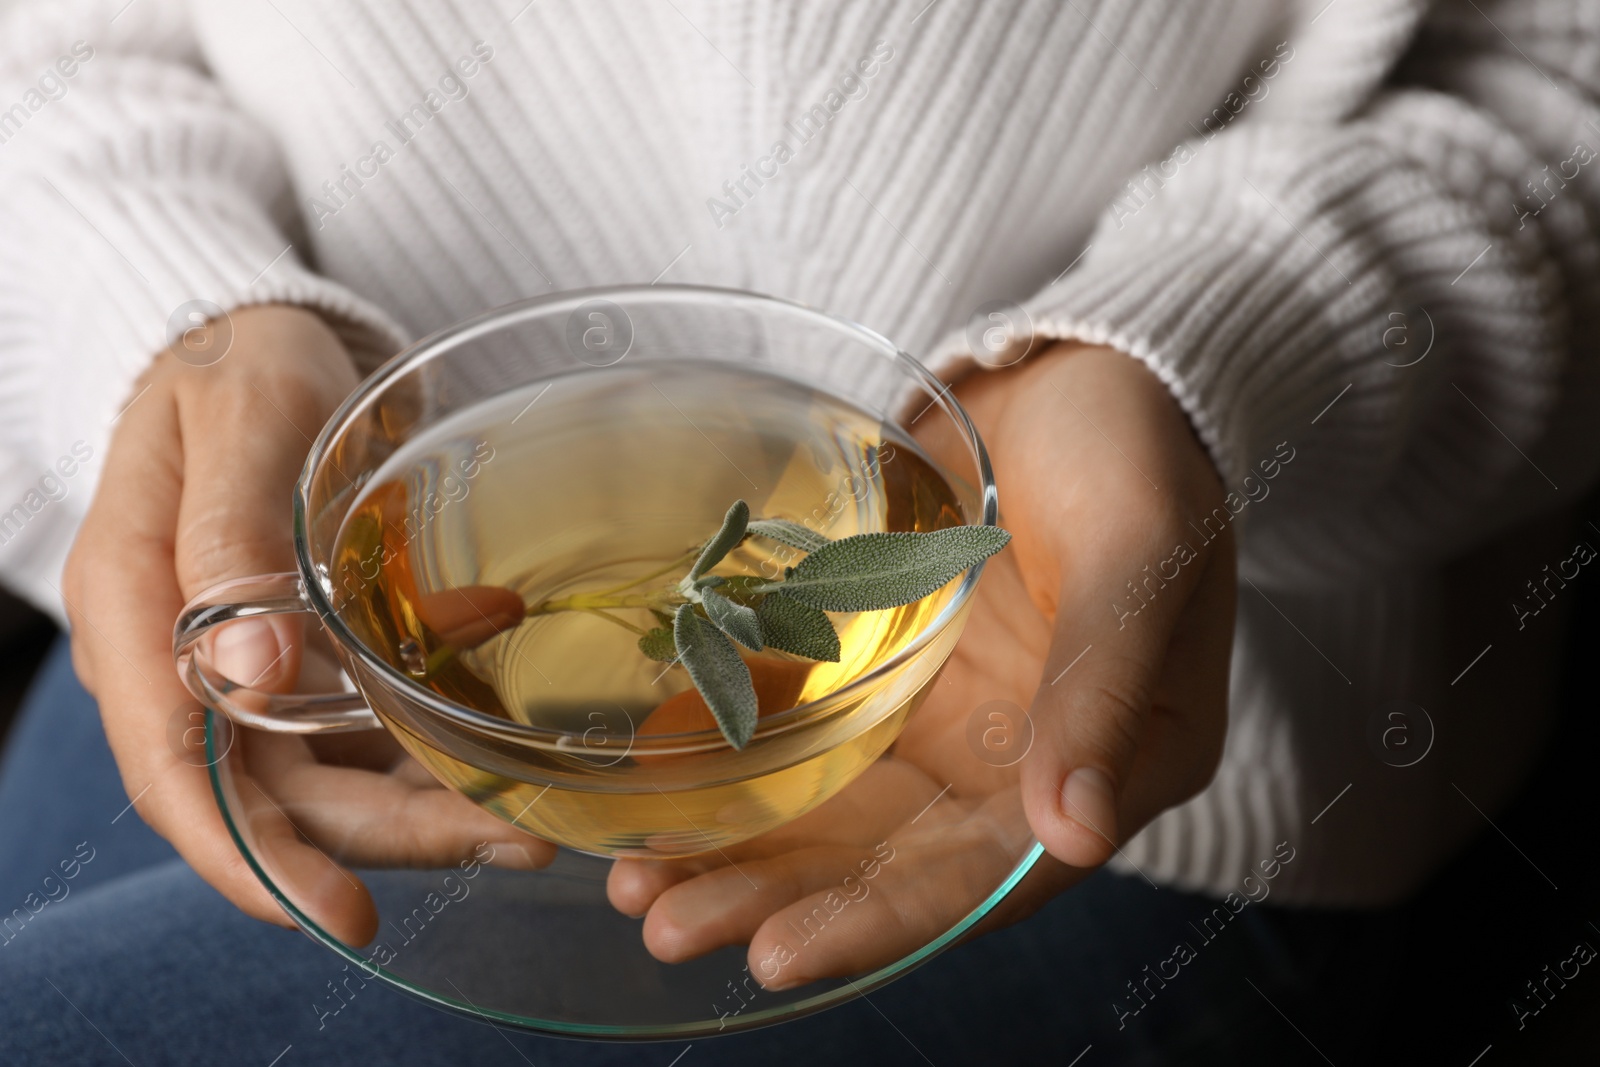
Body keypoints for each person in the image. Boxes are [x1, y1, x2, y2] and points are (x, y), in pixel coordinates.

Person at [0, 0, 1594, 1062]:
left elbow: (1561, 77)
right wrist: (166, 306)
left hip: (1077, 743)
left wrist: (1216, 353)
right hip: (273, 604)